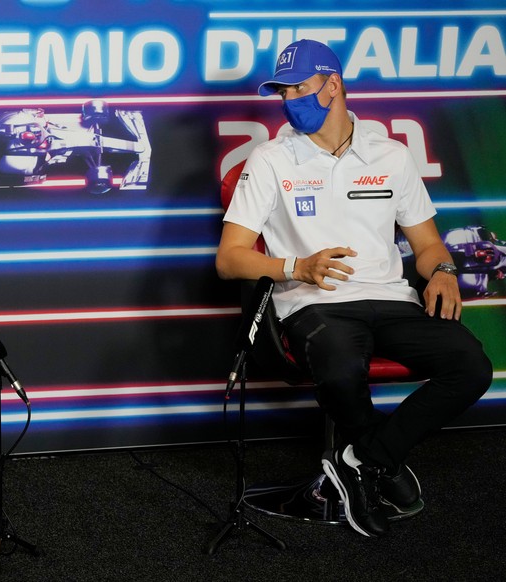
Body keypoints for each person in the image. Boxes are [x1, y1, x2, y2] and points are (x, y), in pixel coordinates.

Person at [216, 39, 492, 538]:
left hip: (390, 300)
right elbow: (230, 258)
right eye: (283, 91)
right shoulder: (271, 159)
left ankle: (359, 462)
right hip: (313, 304)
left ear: (333, 85)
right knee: (342, 369)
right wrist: (297, 266)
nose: (289, 99)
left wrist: (444, 272)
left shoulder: (391, 154)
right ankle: (373, 466)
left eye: (300, 87)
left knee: (471, 365)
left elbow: (428, 245)